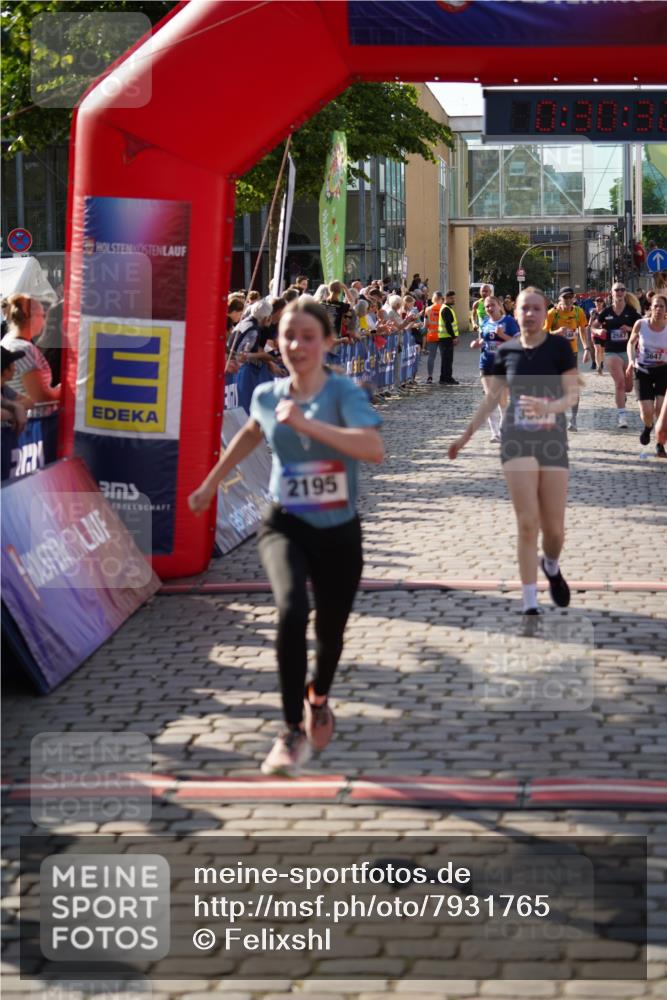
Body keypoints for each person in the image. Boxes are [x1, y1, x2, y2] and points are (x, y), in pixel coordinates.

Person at [189, 298, 384, 775]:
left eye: (307, 337)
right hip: (285, 522)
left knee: (331, 632)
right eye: (288, 336)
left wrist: (307, 422)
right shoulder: (266, 394)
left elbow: (372, 448)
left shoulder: (343, 393)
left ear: (328, 342)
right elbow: (251, 433)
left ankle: (318, 696)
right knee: (292, 611)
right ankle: (291, 729)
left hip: (338, 528)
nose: (296, 345)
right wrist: (211, 483)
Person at [449, 287, 579, 615]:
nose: (530, 314)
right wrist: (464, 436)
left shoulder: (558, 348)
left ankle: (551, 564)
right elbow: (491, 399)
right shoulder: (505, 351)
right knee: (527, 522)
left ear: (545, 312)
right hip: (516, 442)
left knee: (554, 529)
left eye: (536, 308)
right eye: (525, 308)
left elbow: (572, 394)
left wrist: (550, 407)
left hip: (552, 442)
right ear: (515, 313)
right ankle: (529, 599)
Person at [590, 283, 641, 428]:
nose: (619, 292)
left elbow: (643, 326)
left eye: (622, 289)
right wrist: (598, 331)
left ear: (625, 293)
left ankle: (622, 395)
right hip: (611, 351)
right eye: (616, 290)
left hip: (628, 352)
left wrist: (629, 328)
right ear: (611, 293)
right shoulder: (606, 312)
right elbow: (592, 327)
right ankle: (622, 417)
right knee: (619, 383)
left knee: (628, 387)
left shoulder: (631, 311)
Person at [470, 295, 519, 441]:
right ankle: (494, 433)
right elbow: (483, 340)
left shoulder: (509, 321)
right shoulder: (485, 322)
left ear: (499, 306)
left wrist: (502, 335)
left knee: (503, 400)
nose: (489, 308)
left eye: (492, 305)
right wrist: (476, 344)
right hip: (486, 363)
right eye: (487, 306)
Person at [626, 293, 667, 457]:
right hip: (642, 370)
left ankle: (659, 443)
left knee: (661, 409)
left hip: (663, 370)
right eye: (655, 306)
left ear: (666, 310)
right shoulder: (641, 324)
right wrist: (631, 360)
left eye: (662, 306)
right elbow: (631, 343)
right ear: (650, 307)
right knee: (647, 413)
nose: (658, 309)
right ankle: (648, 426)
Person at [0, 294, 59, 404]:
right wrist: (65, 390)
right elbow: (40, 397)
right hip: (36, 413)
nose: (44, 321)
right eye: (42, 315)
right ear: (31, 317)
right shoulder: (24, 349)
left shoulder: (8, 340)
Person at [544, 286, 588, 431]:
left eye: (570, 297)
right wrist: (556, 332)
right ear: (559, 298)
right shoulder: (552, 313)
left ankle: (573, 419)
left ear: (574, 298)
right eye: (565, 297)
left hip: (571, 354)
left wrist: (586, 348)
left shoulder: (578, 312)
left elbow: (582, 330)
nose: (568, 300)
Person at [1, 346, 30, 434]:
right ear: (5, 371)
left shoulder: (4, 388)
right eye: (13, 364)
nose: (15, 368)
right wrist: (13, 413)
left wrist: (16, 406)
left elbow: (30, 401)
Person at [438, 290, 460, 385]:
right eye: (451, 298)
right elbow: (448, 325)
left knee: (446, 359)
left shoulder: (447, 308)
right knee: (447, 359)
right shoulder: (446, 309)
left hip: (446, 337)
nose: (453, 300)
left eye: (454, 298)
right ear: (446, 298)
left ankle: (444, 378)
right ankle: (447, 378)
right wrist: (454, 337)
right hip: (446, 338)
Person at [424, 291, 444, 384]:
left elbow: (425, 325)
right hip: (442, 336)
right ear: (441, 299)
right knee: (444, 357)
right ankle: (443, 376)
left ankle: (429, 377)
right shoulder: (444, 308)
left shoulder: (428, 309)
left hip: (432, 335)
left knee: (431, 357)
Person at [587, 295, 607, 374]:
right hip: (595, 333)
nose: (598, 303)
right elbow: (590, 323)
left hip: (603, 332)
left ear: (603, 303)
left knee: (602, 350)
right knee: (597, 349)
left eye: (600, 301)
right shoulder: (593, 312)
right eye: (597, 301)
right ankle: (598, 366)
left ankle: (601, 363)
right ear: (595, 303)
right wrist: (590, 325)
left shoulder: (605, 312)